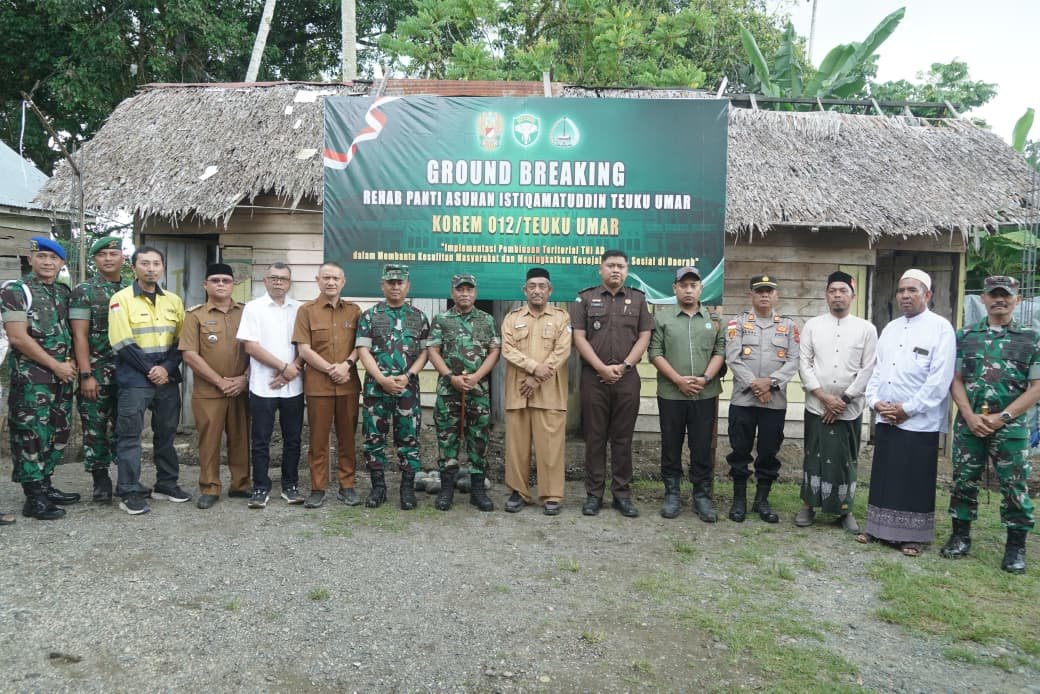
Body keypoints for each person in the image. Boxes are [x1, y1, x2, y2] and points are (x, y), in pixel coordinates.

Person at [941, 275, 1039, 573]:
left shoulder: (1030, 338)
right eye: (993, 294)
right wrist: (969, 416)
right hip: (969, 423)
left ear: (1017, 299)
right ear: (983, 298)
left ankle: (1015, 548)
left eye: (1005, 295)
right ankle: (960, 536)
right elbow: (955, 380)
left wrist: (1003, 417)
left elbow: (1036, 387)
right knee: (963, 480)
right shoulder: (965, 336)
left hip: (1010, 427)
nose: (999, 299)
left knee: (1014, 485)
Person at [859, 269, 955, 556]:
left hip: (919, 421)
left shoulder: (940, 328)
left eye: (912, 290)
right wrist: (875, 401)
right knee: (885, 476)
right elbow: (877, 371)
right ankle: (878, 528)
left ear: (927, 294)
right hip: (887, 415)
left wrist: (908, 409)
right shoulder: (890, 328)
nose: (905, 295)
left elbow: (939, 380)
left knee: (914, 479)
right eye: (901, 290)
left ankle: (913, 537)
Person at [1, 237, 79, 520]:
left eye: (53, 258)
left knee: (57, 432)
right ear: (30, 259)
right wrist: (56, 365)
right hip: (32, 380)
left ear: (62, 263)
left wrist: (70, 363)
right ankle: (33, 498)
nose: (47, 262)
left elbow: (70, 333)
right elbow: (18, 337)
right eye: (41, 257)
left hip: (62, 379)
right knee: (30, 435)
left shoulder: (62, 292)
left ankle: (45, 485)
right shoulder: (15, 290)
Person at [572, 250, 653, 518]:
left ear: (627, 270)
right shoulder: (585, 298)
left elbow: (644, 336)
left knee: (622, 438)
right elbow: (579, 337)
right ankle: (594, 495)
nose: (615, 270)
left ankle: (622, 495)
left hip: (627, 378)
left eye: (621, 266)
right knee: (594, 437)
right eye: (610, 266)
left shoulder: (638, 299)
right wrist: (601, 368)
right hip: (594, 378)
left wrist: (625, 365)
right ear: (601, 269)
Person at [109, 246, 189, 515]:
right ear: (134, 267)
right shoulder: (121, 299)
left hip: (167, 378)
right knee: (130, 436)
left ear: (162, 267)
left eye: (156, 263)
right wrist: (151, 369)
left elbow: (181, 341)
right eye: (145, 263)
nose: (151, 268)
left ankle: (166, 484)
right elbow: (121, 341)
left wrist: (165, 368)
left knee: (166, 434)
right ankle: (129, 491)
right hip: (134, 379)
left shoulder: (174, 301)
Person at [795, 271, 877, 532]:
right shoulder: (812, 326)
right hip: (817, 405)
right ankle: (808, 505)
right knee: (814, 456)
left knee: (845, 459)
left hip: (848, 409)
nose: (837, 295)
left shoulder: (866, 329)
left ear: (853, 295)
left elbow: (868, 368)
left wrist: (843, 400)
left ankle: (845, 509)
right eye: (833, 291)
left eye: (843, 291)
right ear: (826, 295)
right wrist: (823, 397)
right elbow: (804, 364)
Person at [648, 266, 726, 521]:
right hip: (671, 394)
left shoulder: (715, 320)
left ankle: (701, 496)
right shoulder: (662, 318)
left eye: (693, 285)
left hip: (704, 394)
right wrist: (678, 380)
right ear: (675, 288)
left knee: (701, 446)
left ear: (701, 288)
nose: (688, 290)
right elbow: (655, 353)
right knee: (671, 445)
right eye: (683, 285)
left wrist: (705, 379)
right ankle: (672, 494)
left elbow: (720, 352)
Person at [725, 275, 800, 523]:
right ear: (751, 295)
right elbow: (733, 358)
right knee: (740, 451)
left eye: (769, 291)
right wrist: (757, 386)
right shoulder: (737, 323)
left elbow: (794, 361)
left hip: (773, 402)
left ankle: (762, 501)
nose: (765, 295)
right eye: (759, 291)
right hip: (744, 401)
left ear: (776, 296)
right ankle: (739, 501)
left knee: (769, 451)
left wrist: (771, 383)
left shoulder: (789, 326)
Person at [356, 263, 429, 509]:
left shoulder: (418, 317)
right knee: (373, 439)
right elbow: (363, 350)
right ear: (382, 285)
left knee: (409, 439)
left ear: (408, 285)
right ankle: (378, 489)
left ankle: (407, 490)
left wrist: (408, 375)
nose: (395, 286)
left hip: (407, 389)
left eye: (400, 282)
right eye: (391, 282)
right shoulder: (370, 316)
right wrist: (381, 379)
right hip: (376, 389)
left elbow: (425, 353)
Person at [426, 273, 500, 512]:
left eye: (469, 289)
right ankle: (447, 489)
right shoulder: (442, 319)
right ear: (453, 292)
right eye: (460, 289)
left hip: (478, 391)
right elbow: (433, 351)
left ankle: (477, 490)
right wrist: (450, 377)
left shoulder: (487, 320)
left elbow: (494, 351)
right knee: (447, 439)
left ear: (475, 293)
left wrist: (477, 376)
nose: (465, 293)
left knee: (479, 439)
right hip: (449, 390)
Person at [501, 268, 572, 515]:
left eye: (542, 286)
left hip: (549, 392)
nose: (537, 290)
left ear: (550, 290)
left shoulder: (562, 318)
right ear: (525, 290)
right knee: (517, 447)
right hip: (518, 392)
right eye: (532, 286)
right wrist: (533, 368)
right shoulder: (512, 318)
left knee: (550, 448)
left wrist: (536, 378)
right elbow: (507, 349)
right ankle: (518, 492)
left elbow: (562, 351)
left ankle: (551, 495)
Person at [180, 263, 250, 509]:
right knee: (209, 440)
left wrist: (244, 379)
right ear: (205, 284)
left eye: (226, 280)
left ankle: (241, 484)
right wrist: (220, 381)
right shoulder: (195, 315)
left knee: (241, 438)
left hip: (240, 389)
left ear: (233, 284)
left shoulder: (246, 313)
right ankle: (210, 487)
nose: (221, 284)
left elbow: (256, 349)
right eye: (215, 280)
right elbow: (189, 354)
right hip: (209, 391)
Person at [293, 262, 362, 509]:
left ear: (343, 282)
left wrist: (347, 365)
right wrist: (332, 369)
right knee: (318, 440)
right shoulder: (306, 311)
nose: (331, 282)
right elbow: (304, 349)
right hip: (318, 387)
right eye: (326, 278)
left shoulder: (354, 311)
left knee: (347, 439)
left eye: (335, 278)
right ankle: (317, 488)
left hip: (348, 385)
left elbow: (361, 345)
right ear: (317, 280)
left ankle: (347, 486)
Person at [237, 262, 305, 508]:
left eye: (283, 278)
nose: (278, 282)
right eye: (273, 278)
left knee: (293, 439)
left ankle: (290, 486)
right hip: (262, 386)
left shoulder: (300, 309)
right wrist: (284, 367)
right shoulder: (253, 308)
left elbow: (306, 346)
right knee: (261, 439)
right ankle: (260, 487)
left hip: (294, 386)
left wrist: (291, 370)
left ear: (289, 283)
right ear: (265, 281)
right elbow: (251, 346)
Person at [71, 236, 130, 503]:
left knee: (126, 427)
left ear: (122, 258)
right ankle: (101, 480)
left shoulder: (132, 289)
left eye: (113, 253)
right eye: (102, 254)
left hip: (128, 372)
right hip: (96, 371)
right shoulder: (84, 291)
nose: (108, 258)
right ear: (94, 259)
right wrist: (86, 374)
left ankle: (127, 479)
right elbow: (79, 335)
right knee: (95, 428)